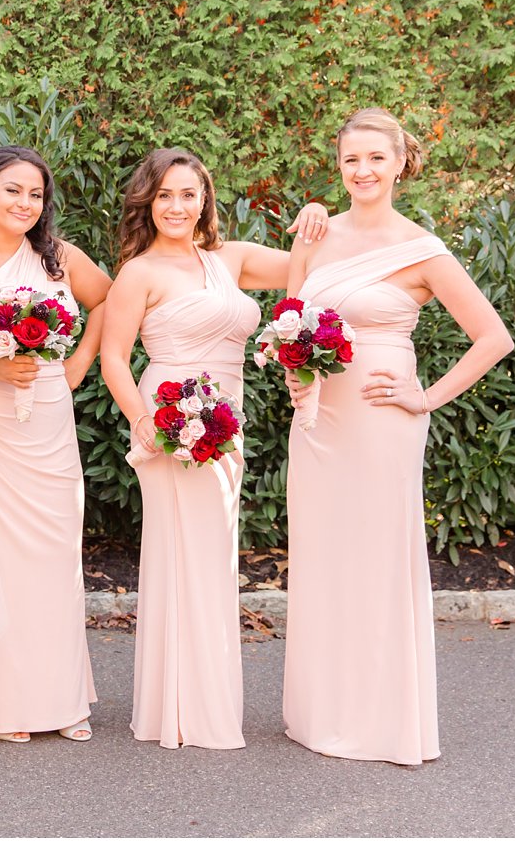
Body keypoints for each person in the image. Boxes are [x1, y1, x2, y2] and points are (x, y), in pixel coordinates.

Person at [282, 107, 512, 765]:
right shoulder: (316, 233)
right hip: (321, 420)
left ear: (402, 163)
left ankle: (381, 720)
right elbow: (292, 322)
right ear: (339, 163)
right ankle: (322, 710)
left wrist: (426, 397)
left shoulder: (423, 249)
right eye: (351, 159)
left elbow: (494, 337)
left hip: (385, 421)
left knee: (378, 557)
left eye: (376, 159)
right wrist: (295, 377)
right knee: (324, 554)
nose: (362, 171)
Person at [100, 147, 327, 750]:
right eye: (165, 195)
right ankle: (184, 710)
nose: (177, 206)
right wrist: (144, 420)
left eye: (188, 194)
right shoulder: (139, 272)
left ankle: (198, 701)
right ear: (148, 202)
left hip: (229, 422)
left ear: (205, 201)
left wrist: (314, 212)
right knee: (187, 555)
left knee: (212, 558)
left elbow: (309, 263)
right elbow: (114, 358)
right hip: (171, 421)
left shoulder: (231, 259)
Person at [0, 145, 111, 744]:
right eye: (12, 190)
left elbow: (110, 299)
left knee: (52, 557)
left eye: (35, 194)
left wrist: (81, 361)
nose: (24, 203)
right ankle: (2, 704)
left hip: (48, 428)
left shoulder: (58, 258)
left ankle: (59, 699)